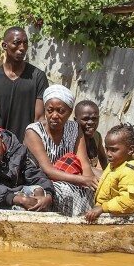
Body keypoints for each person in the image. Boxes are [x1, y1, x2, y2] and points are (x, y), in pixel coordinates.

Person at [23, 85, 98, 217]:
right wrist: (82, 180)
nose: (54, 116)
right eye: (50, 110)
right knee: (65, 190)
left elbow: (83, 162)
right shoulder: (34, 131)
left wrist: (90, 182)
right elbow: (47, 170)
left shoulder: (75, 128)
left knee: (95, 188)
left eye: (60, 111)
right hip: (43, 180)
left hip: (72, 177)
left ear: (69, 112)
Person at [84, 122, 134, 223]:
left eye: (114, 150)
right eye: (106, 149)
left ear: (130, 149)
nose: (108, 154)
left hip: (121, 222)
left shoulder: (129, 172)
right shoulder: (114, 165)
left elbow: (131, 201)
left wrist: (103, 207)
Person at [0, 123, 54, 211]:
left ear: (1, 138)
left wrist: (48, 196)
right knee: (20, 208)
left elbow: (36, 174)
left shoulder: (19, 151)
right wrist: (16, 199)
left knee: (39, 192)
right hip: (0, 202)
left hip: (22, 192)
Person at [0, 27, 49, 131]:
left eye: (25, 43)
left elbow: (39, 118)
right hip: (5, 142)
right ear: (5, 46)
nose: (22, 47)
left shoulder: (38, 76)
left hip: (31, 143)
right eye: (17, 43)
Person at [74, 99, 107, 171]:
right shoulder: (72, 139)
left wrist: (108, 172)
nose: (91, 123)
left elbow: (103, 158)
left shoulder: (96, 136)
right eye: (86, 119)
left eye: (94, 119)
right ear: (75, 120)